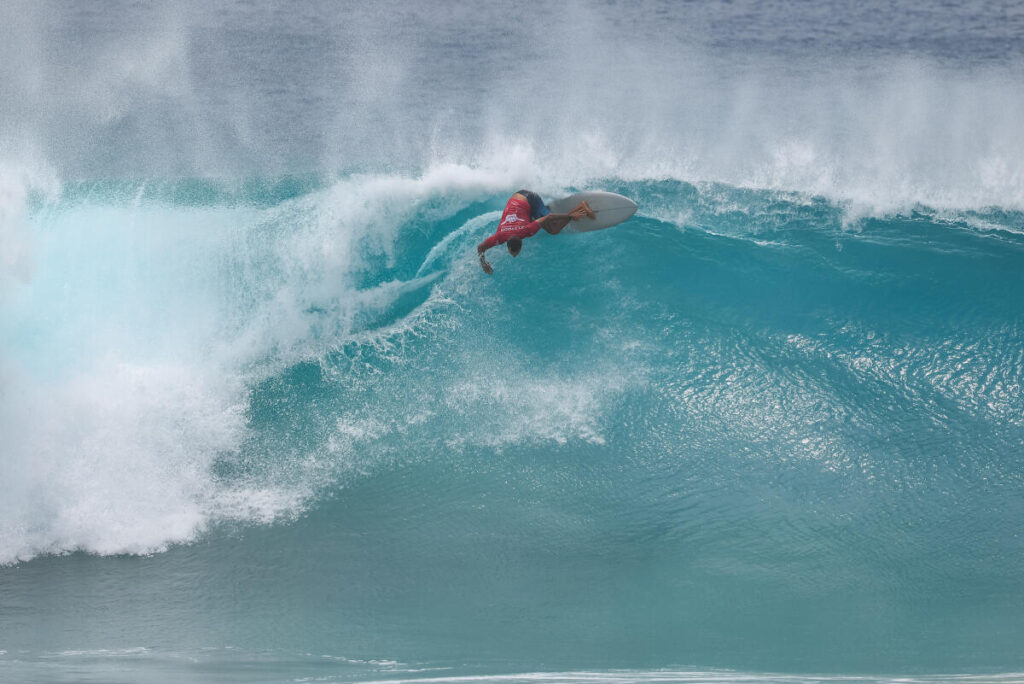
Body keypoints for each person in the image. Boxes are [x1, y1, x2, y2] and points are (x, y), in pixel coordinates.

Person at [476, 190, 595, 274]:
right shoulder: (499, 236)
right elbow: (480, 248)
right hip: (517, 199)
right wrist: (483, 264)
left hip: (530, 198)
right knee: (538, 222)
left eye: (515, 252)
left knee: (553, 229)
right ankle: (534, 215)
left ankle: (580, 207)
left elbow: (550, 218)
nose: (514, 255)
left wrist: (569, 215)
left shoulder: (526, 231)